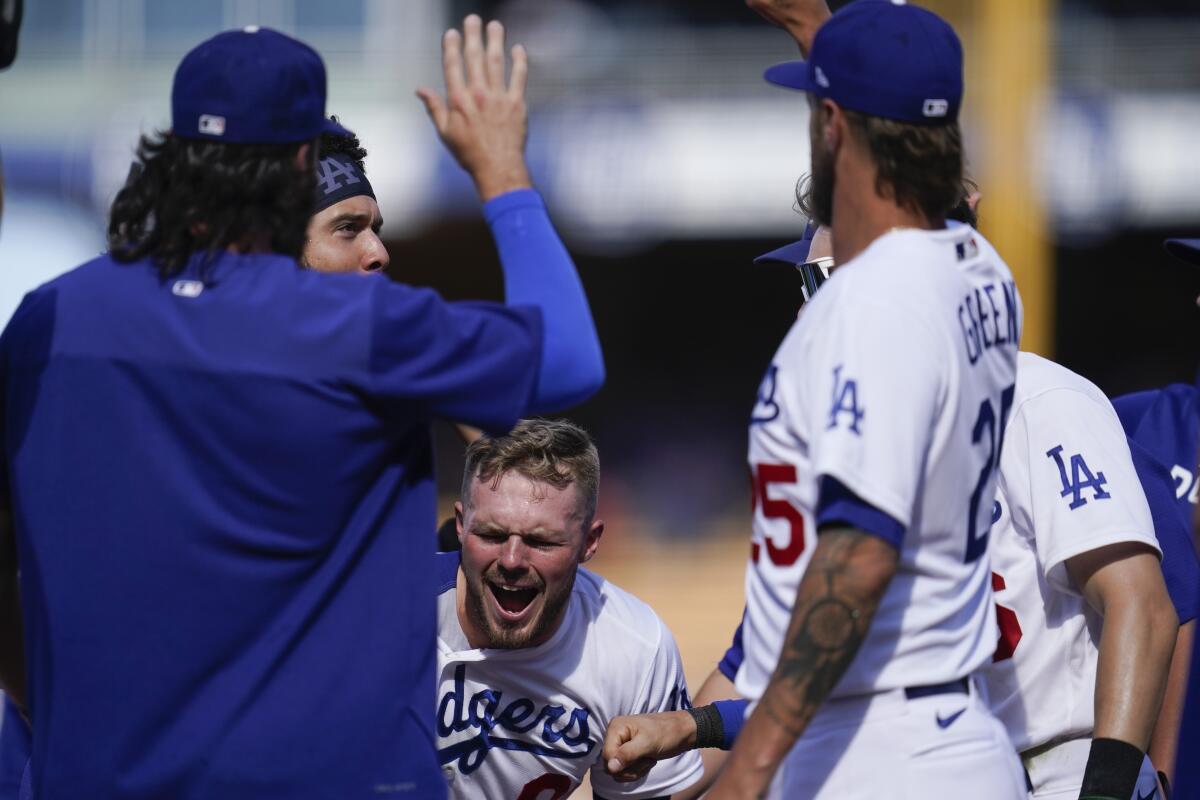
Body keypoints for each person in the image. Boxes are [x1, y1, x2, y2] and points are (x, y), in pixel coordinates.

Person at [0, 17, 603, 799]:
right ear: (296, 165)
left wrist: (48, 705)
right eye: (351, 226)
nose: (376, 252)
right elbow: (570, 357)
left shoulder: (51, 321)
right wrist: (504, 176)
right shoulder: (351, 326)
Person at [687, 0, 1027, 795]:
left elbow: (859, 554)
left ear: (834, 122)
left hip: (872, 750)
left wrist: (747, 775)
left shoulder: (867, 306)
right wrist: (830, 45)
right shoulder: (979, 268)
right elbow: (923, 210)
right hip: (953, 733)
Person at [437, 418, 702, 799]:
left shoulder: (636, 649)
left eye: (541, 541)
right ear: (461, 525)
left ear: (589, 543)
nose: (512, 559)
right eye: (492, 534)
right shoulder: (388, 610)